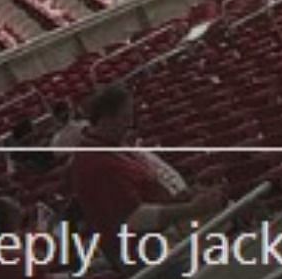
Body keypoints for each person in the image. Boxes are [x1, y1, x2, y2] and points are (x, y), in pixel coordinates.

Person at [67, 83, 220, 241]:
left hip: (166, 235)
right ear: (105, 119)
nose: (130, 124)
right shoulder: (95, 162)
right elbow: (134, 218)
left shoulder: (113, 145)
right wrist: (191, 209)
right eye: (125, 117)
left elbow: (148, 188)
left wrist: (182, 196)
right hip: (149, 251)